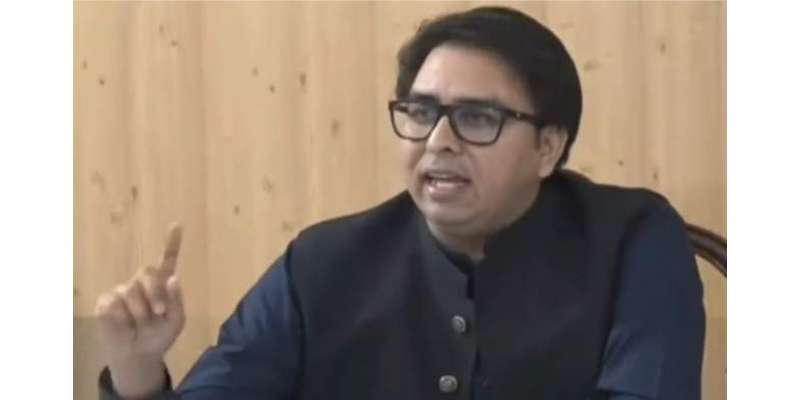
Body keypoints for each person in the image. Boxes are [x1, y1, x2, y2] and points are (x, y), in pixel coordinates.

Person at [94, 6, 705, 400]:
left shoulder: (634, 240)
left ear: (548, 147)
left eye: (476, 117)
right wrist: (138, 372)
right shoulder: (322, 264)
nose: (438, 140)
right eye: (421, 112)